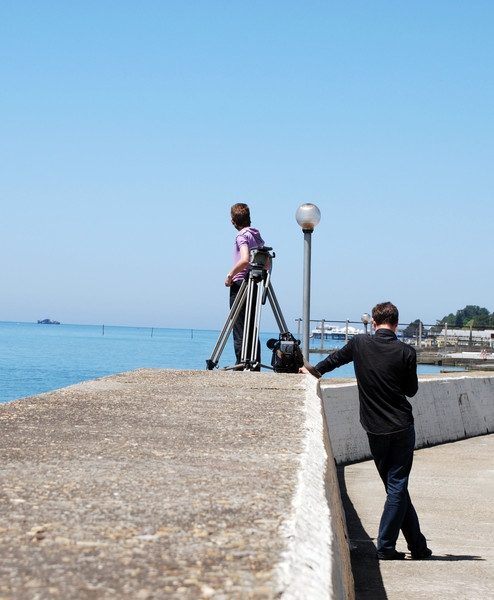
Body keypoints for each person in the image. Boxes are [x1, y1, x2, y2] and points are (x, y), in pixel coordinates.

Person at [300, 301, 432, 561]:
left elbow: (334, 360)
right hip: (401, 426)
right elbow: (411, 390)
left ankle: (418, 546)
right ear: (396, 324)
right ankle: (386, 547)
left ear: (373, 322)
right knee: (397, 487)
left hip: (374, 428)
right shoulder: (406, 351)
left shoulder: (360, 343)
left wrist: (312, 371)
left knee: (395, 488)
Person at [225, 203, 265, 368]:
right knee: (251, 327)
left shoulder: (241, 236)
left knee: (240, 327)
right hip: (254, 282)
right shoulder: (256, 235)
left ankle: (241, 364)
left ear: (233, 221)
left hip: (240, 283)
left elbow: (244, 259)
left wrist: (230, 275)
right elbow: (265, 263)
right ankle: (254, 364)